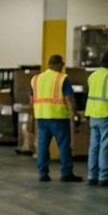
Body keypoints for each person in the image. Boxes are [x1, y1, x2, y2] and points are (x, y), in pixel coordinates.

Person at [32, 54, 81, 182]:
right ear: (59, 64)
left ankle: (43, 174)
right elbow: (70, 99)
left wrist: (32, 119)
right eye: (62, 65)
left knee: (42, 146)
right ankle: (66, 173)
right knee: (64, 146)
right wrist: (74, 116)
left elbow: (31, 99)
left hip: (41, 117)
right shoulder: (62, 78)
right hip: (59, 118)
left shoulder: (36, 79)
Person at [87, 51, 108, 187]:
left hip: (94, 115)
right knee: (106, 146)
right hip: (107, 115)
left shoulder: (93, 75)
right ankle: (104, 177)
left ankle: (92, 176)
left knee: (94, 147)